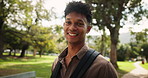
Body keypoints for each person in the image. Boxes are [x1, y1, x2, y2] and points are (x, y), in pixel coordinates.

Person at [51, 1, 118, 78]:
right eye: (68, 22)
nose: (72, 28)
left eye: (79, 24)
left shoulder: (103, 67)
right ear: (64, 25)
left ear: (88, 29)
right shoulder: (57, 63)